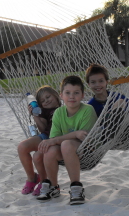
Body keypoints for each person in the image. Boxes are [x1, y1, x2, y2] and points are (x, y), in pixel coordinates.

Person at [36, 76, 97, 205]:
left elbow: (83, 138)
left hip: (86, 150)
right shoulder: (58, 112)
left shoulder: (87, 110)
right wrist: (74, 133)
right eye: (67, 93)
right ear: (61, 96)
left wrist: (58, 140)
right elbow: (54, 139)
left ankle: (76, 187)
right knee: (50, 149)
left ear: (82, 95)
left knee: (66, 144)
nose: (72, 96)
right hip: (65, 150)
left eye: (76, 93)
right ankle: (53, 186)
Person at [17, 85, 61, 196]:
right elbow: (42, 129)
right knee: (22, 147)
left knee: (37, 156)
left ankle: (44, 181)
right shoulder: (45, 112)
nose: (46, 101)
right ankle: (32, 178)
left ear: (56, 96)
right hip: (45, 137)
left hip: (58, 140)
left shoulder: (65, 109)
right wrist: (35, 115)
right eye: (43, 101)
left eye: (48, 97)